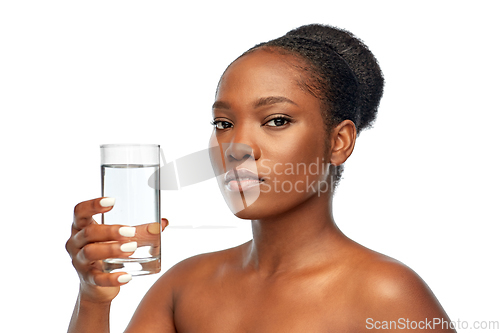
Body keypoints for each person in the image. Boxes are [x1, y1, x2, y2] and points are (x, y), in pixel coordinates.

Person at [66, 24, 456, 332]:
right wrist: (93, 299)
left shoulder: (386, 295)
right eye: (223, 123)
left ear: (338, 141)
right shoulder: (184, 287)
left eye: (277, 121)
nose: (237, 146)